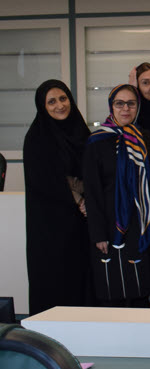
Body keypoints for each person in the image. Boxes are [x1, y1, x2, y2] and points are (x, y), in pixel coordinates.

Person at [24, 79, 93, 315]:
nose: (59, 105)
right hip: (51, 228)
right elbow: (45, 180)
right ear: (42, 106)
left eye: (63, 98)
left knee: (84, 280)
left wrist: (89, 198)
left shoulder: (81, 132)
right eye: (51, 102)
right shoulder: (37, 138)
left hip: (83, 225)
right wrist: (79, 200)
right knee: (57, 281)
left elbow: (93, 170)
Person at [83, 84, 150, 307]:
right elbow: (92, 190)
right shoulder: (96, 142)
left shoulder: (146, 138)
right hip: (108, 222)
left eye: (131, 104)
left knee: (140, 288)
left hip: (140, 220)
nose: (125, 109)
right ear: (111, 106)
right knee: (112, 287)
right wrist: (98, 234)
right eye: (119, 103)